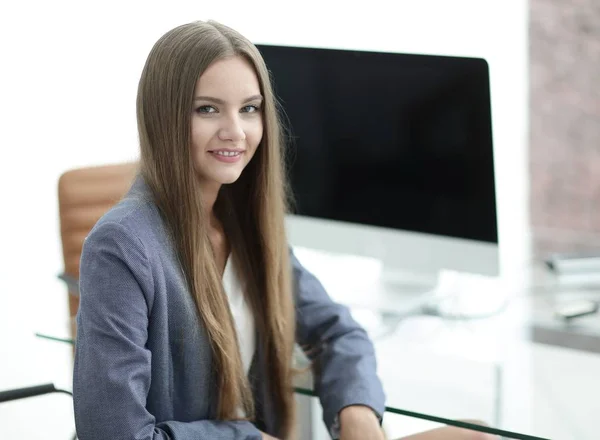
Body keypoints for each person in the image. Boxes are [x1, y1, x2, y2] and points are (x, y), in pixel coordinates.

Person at [73, 20, 493, 440]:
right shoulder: (121, 247)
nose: (235, 131)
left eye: (249, 108)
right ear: (162, 116)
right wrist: (247, 437)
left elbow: (336, 332)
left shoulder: (242, 225)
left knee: (477, 435)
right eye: (208, 108)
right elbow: (114, 435)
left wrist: (357, 413)